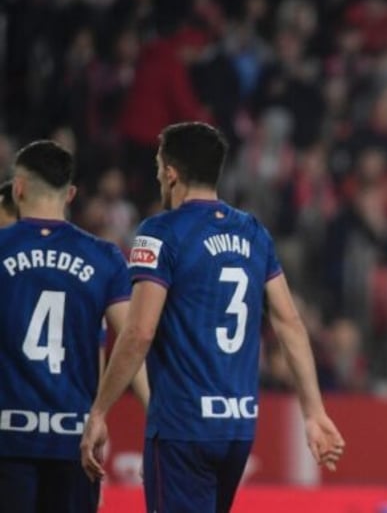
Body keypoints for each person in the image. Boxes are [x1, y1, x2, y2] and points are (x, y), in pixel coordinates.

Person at [80, 122, 345, 511]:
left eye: (158, 165)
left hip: (182, 425)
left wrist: (100, 410)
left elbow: (139, 331)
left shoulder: (160, 232)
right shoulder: (254, 233)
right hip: (237, 428)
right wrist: (314, 411)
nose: (156, 174)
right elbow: (289, 322)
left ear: (170, 172)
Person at [0, 140, 142, 512]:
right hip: (75, 438)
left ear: (18, 188)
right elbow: (132, 340)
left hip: (7, 438)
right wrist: (155, 414)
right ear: (71, 194)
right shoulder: (105, 257)